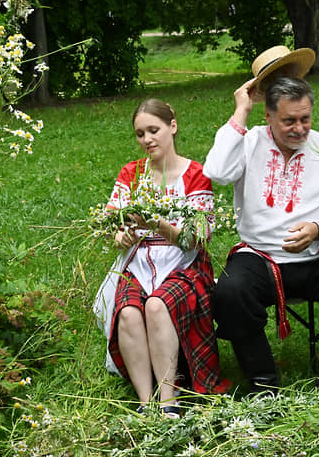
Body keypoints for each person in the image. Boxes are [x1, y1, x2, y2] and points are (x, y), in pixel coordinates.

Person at [204, 46, 319, 392]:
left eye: (305, 119)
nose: (299, 129)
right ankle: (263, 383)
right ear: (268, 116)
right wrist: (241, 111)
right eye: (289, 121)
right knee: (229, 291)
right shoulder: (248, 142)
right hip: (260, 257)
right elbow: (217, 171)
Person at [92, 99, 228, 418]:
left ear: (172, 127)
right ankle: (144, 401)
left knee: (156, 304)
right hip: (139, 261)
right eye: (140, 134)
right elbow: (112, 221)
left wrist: (156, 223)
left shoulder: (195, 174)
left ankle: (169, 402)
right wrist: (120, 235)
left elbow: (196, 236)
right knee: (127, 312)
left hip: (184, 262)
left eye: (154, 130)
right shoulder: (132, 173)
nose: (147, 139)